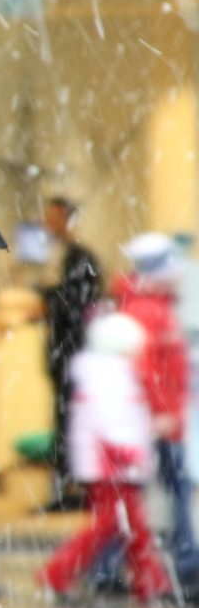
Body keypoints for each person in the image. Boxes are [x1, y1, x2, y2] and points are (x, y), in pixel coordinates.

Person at [37, 312, 170, 601]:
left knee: (130, 527)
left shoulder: (103, 372)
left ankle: (151, 583)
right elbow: (110, 422)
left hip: (111, 464)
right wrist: (129, 452)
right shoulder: (110, 375)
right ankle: (57, 573)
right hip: (112, 465)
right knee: (114, 526)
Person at [111, 233, 199, 585]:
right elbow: (147, 371)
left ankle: (112, 563)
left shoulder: (154, 307)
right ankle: (185, 557)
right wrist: (159, 414)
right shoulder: (147, 311)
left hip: (164, 419)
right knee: (166, 489)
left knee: (148, 492)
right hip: (158, 420)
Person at [39, 197, 105, 510]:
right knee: (64, 419)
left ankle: (74, 488)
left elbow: (75, 302)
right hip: (63, 353)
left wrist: (48, 300)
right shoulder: (64, 257)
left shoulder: (79, 258)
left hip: (72, 353)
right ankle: (67, 486)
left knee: (72, 420)